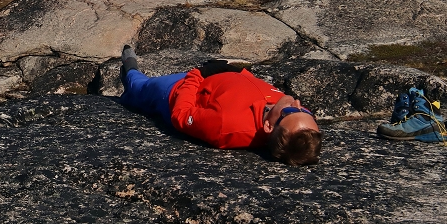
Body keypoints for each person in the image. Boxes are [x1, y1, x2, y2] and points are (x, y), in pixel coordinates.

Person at [118, 45, 322, 166]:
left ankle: (130, 71)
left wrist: (197, 74)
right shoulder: (281, 112)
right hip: (219, 75)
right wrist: (235, 71)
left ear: (268, 127)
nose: (296, 103)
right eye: (304, 110)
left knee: (140, 89)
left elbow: (181, 115)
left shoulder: (224, 125)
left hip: (179, 89)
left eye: (292, 111)